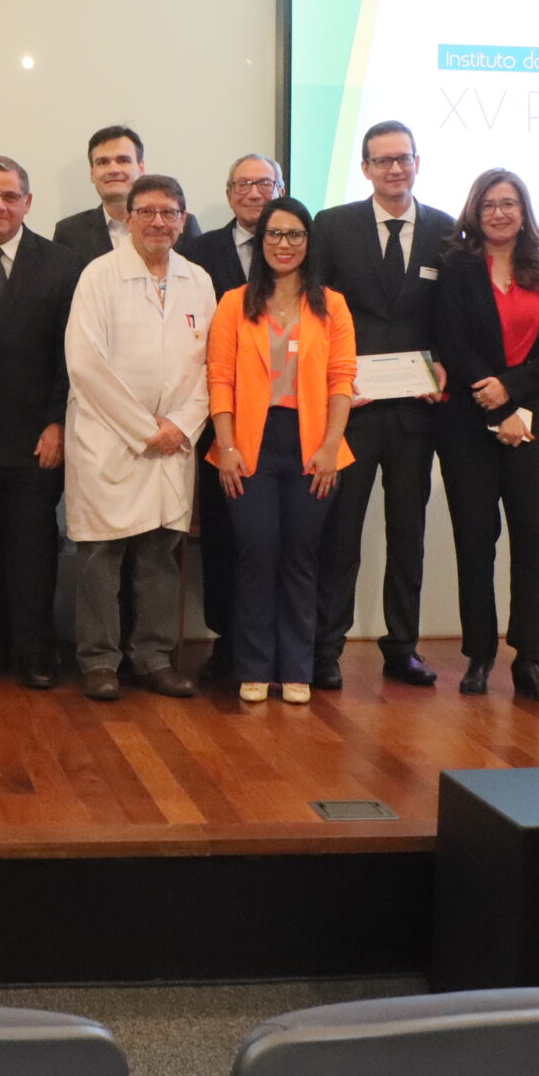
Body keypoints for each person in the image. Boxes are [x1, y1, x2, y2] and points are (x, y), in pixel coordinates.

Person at [64, 173, 217, 701]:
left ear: (183, 218)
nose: (158, 222)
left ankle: (153, 657)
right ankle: (100, 661)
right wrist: (143, 428)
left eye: (169, 212)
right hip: (110, 439)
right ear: (128, 218)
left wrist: (181, 425)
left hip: (173, 441)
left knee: (159, 552)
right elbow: (85, 365)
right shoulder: (99, 276)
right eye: (147, 212)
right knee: (100, 556)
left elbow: (210, 367)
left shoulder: (198, 279)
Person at [310, 121, 452, 690]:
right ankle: (327, 648)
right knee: (340, 534)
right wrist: (332, 381)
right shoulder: (334, 226)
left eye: (404, 159)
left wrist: (442, 363)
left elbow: (453, 315)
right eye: (382, 160)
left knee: (407, 532)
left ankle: (402, 647)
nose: (395, 169)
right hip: (352, 408)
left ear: (417, 162)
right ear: (365, 168)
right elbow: (316, 310)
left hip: (417, 412)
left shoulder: (446, 229)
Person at [205, 197, 354, 704]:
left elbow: (342, 380)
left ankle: (297, 667)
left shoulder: (331, 305)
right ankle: (253, 665)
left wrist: (331, 446)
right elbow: (219, 379)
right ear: (260, 241)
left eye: (294, 235)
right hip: (249, 445)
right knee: (256, 552)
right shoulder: (233, 303)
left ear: (308, 243)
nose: (283, 244)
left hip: (313, 445)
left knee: (302, 557)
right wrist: (225, 446)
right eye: (274, 235)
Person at [433, 168, 539, 702]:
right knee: (475, 539)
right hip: (467, 419)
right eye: (489, 203)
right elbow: (451, 339)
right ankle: (480, 654)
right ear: (475, 210)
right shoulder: (455, 269)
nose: (499, 212)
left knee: (531, 542)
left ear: (523, 211)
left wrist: (510, 394)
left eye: (509, 203)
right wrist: (493, 401)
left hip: (528, 422)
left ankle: (529, 659)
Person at [0, 156, 79, 689]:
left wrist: (57, 423)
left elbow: (68, 356)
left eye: (10, 196)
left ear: (28, 203)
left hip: (35, 437)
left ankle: (35, 651)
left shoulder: (60, 263)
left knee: (34, 550)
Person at [178, 152, 284, 681]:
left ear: (279, 188)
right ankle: (227, 640)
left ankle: (274, 640)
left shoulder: (304, 249)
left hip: (288, 414)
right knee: (222, 530)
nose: (253, 192)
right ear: (227, 194)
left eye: (264, 183)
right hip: (218, 411)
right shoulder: (198, 251)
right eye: (242, 184)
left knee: (276, 535)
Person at [52, 124, 202, 265]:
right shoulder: (69, 233)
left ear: (141, 168)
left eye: (123, 160)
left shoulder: (181, 225)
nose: (113, 170)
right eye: (103, 162)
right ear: (92, 173)